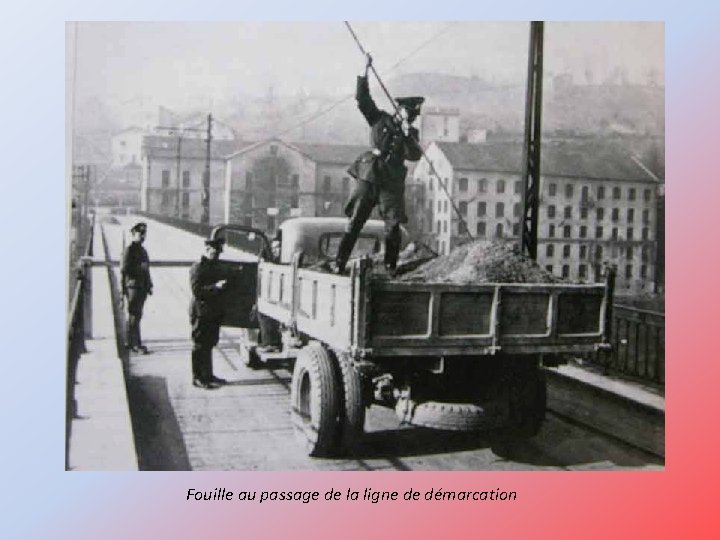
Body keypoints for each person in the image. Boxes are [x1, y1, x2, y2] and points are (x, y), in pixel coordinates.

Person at [335, 53, 424, 275]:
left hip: (392, 181)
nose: (410, 117)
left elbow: (414, 156)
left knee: (393, 225)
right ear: (399, 109)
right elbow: (361, 98)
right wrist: (363, 70)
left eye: (413, 116)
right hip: (369, 174)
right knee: (356, 220)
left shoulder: (411, 133)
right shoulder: (379, 118)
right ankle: (339, 262)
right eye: (407, 113)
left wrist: (407, 135)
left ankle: (390, 266)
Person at [189, 237, 231, 389]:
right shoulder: (198, 267)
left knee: (209, 344)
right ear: (207, 250)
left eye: (218, 252)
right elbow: (197, 291)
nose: (217, 254)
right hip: (201, 312)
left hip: (212, 313)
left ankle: (208, 375)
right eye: (215, 251)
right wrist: (216, 287)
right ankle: (198, 377)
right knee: (199, 345)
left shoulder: (215, 266)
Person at [121, 222, 152, 354]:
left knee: (136, 315)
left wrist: (149, 284)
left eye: (144, 234)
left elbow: (147, 270)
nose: (142, 236)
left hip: (142, 286)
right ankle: (135, 344)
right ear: (133, 234)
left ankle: (130, 342)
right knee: (134, 314)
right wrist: (140, 268)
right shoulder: (130, 250)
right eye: (140, 234)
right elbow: (125, 268)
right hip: (133, 286)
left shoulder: (142, 250)